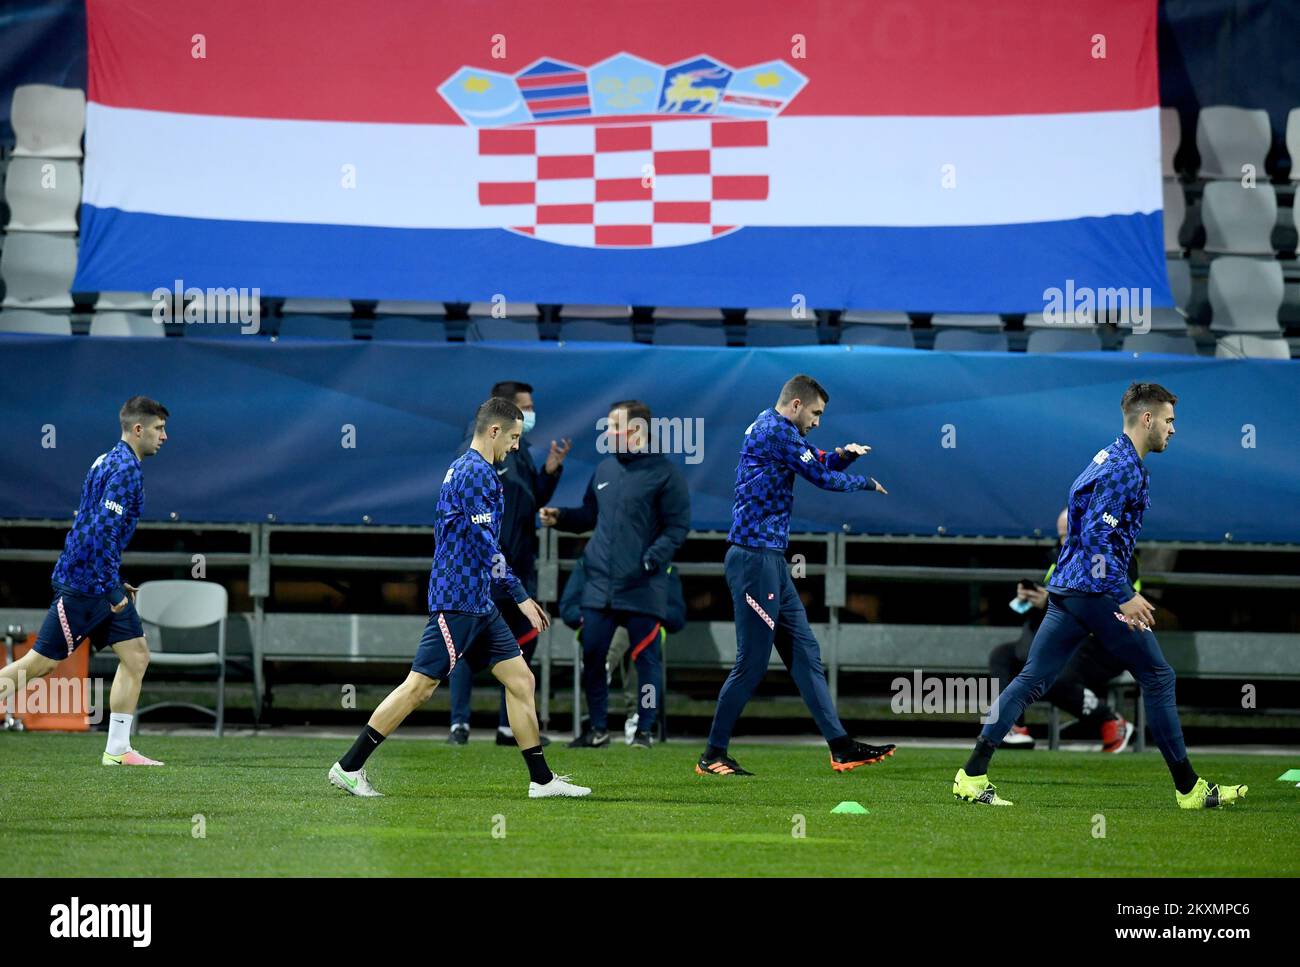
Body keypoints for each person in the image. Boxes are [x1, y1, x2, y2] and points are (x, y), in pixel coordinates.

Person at [954, 382, 1246, 809]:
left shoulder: (1105, 455)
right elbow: (1096, 539)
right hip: (1094, 592)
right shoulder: (1125, 469)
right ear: (1147, 419)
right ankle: (1188, 789)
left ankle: (972, 774)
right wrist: (1123, 594)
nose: (1172, 429)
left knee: (1032, 678)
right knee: (1158, 677)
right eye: (1169, 420)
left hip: (1068, 589)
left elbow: (1083, 529)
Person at [329, 397, 589, 799]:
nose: (517, 446)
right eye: (515, 437)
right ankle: (349, 766)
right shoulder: (475, 474)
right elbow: (487, 546)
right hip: (459, 600)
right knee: (419, 687)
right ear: (494, 430)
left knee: (521, 680)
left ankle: (541, 780)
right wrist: (520, 596)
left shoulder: (470, 470)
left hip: (478, 601)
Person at [697, 374, 896, 776]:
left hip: (769, 560)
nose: (818, 421)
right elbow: (821, 478)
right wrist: (865, 482)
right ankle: (713, 754)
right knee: (751, 664)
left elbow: (817, 461)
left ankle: (840, 746)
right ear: (796, 405)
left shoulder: (775, 428)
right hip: (755, 560)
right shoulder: (778, 432)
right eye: (816, 413)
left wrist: (844, 455)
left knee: (805, 653)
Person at [0, 396, 168, 766]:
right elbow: (100, 534)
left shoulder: (105, 460)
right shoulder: (125, 471)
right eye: (158, 428)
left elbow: (93, 527)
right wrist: (112, 589)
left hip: (99, 579)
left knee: (136, 656)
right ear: (138, 429)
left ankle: (118, 750)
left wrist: (112, 580)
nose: (164, 436)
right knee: (39, 664)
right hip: (85, 585)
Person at [541, 400, 689, 749]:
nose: (608, 433)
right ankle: (598, 728)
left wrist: (652, 560)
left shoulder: (666, 473)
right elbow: (589, 516)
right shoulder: (604, 470)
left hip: (643, 585)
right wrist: (560, 517)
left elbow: (678, 527)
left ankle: (645, 729)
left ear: (636, 430)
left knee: (646, 661)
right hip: (600, 585)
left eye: (614, 426)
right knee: (592, 656)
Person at [447, 380, 569, 747]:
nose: (530, 417)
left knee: (518, 656)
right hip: (485, 576)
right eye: (525, 408)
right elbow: (481, 534)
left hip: (510, 568)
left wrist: (549, 472)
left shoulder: (516, 452)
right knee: (451, 660)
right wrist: (513, 586)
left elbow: (526, 502)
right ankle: (459, 723)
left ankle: (511, 732)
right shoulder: (477, 463)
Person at [992, 508, 1134, 753]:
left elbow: (1101, 607)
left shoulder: (1115, 555)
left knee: (1052, 673)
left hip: (1107, 643)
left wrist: (1048, 601)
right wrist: (1029, 599)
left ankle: (1110, 720)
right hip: (1070, 640)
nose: (1065, 541)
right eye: (1061, 536)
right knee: (1003, 655)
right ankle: (1013, 726)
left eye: (1070, 534)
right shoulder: (1058, 559)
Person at [559, 553, 687, 743]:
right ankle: (639, 720)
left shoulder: (661, 565)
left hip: (644, 632)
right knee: (622, 630)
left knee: (636, 636)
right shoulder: (590, 561)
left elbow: (676, 617)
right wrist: (592, 616)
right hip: (601, 630)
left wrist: (649, 611)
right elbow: (568, 607)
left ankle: (605, 670)